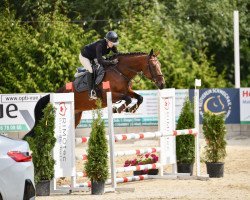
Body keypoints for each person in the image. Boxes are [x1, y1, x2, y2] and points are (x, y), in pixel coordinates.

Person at [79, 31, 119, 100]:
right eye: (112, 43)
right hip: (84, 56)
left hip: (94, 56)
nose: (113, 45)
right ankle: (90, 92)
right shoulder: (100, 45)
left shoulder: (110, 45)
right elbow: (100, 61)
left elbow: (117, 53)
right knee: (91, 70)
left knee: (102, 67)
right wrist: (111, 62)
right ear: (107, 41)